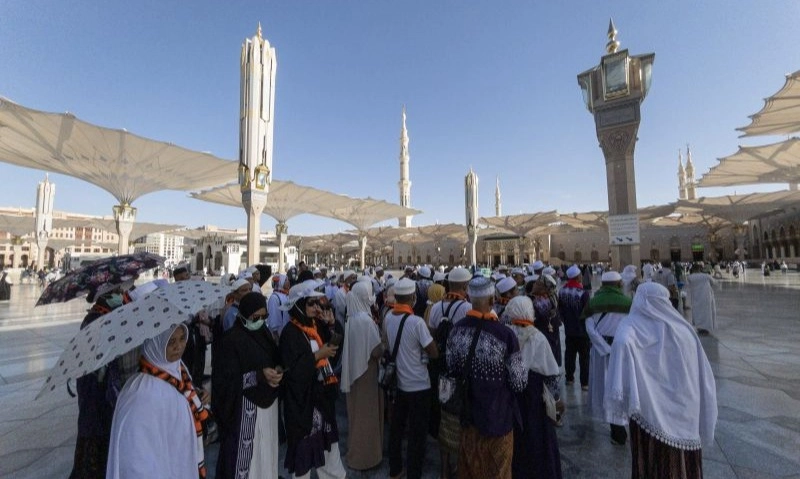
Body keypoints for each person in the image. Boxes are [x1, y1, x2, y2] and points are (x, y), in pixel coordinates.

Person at [606, 282, 717, 479]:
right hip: (685, 413)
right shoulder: (685, 331)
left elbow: (622, 343)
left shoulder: (630, 328)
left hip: (649, 417)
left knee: (654, 465)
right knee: (683, 465)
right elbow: (703, 378)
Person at [446, 277, 527, 479]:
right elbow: (519, 382)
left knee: (471, 469)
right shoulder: (505, 335)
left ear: (470, 299)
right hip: (497, 419)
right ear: (492, 301)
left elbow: (451, 368)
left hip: (468, 418)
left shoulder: (456, 331)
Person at [106, 323, 210, 478]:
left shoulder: (178, 372)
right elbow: (134, 459)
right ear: (156, 344)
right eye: (171, 342)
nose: (179, 347)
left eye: (182, 339)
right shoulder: (140, 394)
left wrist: (197, 397)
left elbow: (180, 400)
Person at [280, 281, 347, 479]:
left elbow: (333, 353)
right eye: (311, 303)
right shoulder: (290, 334)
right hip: (302, 407)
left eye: (318, 303)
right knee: (303, 461)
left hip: (322, 403)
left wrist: (332, 325)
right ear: (299, 305)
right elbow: (291, 372)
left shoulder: (316, 327)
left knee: (330, 454)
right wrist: (317, 356)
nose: (317, 308)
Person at [213, 292, 283, 478]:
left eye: (264, 317)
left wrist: (277, 370)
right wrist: (258, 376)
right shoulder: (230, 340)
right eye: (256, 317)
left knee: (266, 458)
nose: (260, 321)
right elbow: (225, 382)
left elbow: (273, 357)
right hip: (244, 411)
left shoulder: (264, 333)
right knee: (246, 463)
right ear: (244, 314)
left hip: (268, 407)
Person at [69, 283, 135, 479]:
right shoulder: (94, 319)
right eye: (115, 293)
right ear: (104, 296)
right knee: (93, 441)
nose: (120, 295)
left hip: (103, 391)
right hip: (94, 392)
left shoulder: (108, 315)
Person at [384, 278, 439, 479]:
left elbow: (388, 345)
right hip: (419, 386)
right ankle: (414, 473)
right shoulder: (416, 322)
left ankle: (395, 469)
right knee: (417, 434)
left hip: (400, 384)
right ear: (413, 298)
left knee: (397, 430)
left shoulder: (388, 317)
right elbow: (433, 352)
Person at [504, 296, 563, 479]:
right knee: (537, 441)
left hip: (509, 396)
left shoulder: (504, 333)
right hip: (533, 398)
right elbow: (552, 374)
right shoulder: (538, 337)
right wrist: (556, 401)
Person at [583, 270, 632, 446]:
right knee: (623, 384)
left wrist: (604, 348)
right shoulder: (628, 302)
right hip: (622, 351)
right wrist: (617, 347)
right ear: (619, 284)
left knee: (605, 386)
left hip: (600, 351)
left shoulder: (594, 302)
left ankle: (615, 429)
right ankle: (624, 423)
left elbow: (589, 327)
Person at [340, 281, 384, 471]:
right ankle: (367, 458)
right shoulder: (365, 321)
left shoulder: (353, 318)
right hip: (366, 374)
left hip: (355, 374)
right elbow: (375, 351)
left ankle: (356, 454)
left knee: (356, 416)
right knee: (367, 417)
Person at [559, 264, 591, 390]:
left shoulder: (562, 291)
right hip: (582, 330)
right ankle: (584, 383)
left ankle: (569, 378)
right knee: (584, 357)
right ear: (578, 277)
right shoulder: (583, 293)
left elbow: (560, 310)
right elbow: (588, 312)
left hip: (569, 330)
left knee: (569, 354)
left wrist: (566, 320)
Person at [686, 264, 718, 336]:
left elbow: (688, 287)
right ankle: (706, 328)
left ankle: (699, 327)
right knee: (706, 312)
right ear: (700, 269)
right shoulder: (706, 276)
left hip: (696, 296)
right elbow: (714, 282)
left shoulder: (690, 277)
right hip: (706, 296)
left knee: (697, 312)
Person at [267, 274, 291, 338]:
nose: (288, 282)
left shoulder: (286, 295)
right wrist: (276, 335)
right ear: (280, 283)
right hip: (279, 333)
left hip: (286, 331)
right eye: (285, 280)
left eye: (288, 280)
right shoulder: (274, 297)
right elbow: (273, 318)